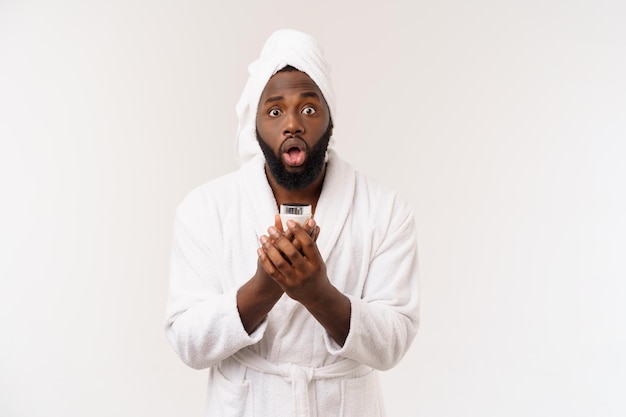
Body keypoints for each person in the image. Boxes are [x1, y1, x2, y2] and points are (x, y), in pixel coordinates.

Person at [164, 28, 420, 417]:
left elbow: (393, 343)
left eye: (309, 108)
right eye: (274, 110)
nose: (292, 124)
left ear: (331, 119)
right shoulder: (206, 208)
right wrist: (262, 288)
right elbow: (188, 342)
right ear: (255, 125)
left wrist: (319, 295)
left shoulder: (384, 209)